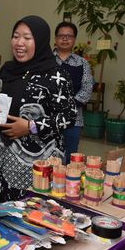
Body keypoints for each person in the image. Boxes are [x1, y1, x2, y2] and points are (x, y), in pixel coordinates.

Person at [0, 15, 77, 203]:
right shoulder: (8, 69)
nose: (19, 43)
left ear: (40, 41)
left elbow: (69, 116)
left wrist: (31, 126)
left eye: (27, 38)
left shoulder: (56, 75)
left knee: (31, 218)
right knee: (2, 213)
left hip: (37, 162)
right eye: (16, 36)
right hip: (2, 157)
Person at [53, 22, 94, 164]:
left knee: (70, 157)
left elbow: (87, 88)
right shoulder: (45, 61)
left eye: (69, 36)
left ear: (74, 40)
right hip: (47, 117)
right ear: (55, 38)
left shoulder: (82, 63)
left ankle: (68, 184)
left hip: (73, 118)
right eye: (61, 36)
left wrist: (69, 106)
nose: (65, 39)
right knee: (48, 156)